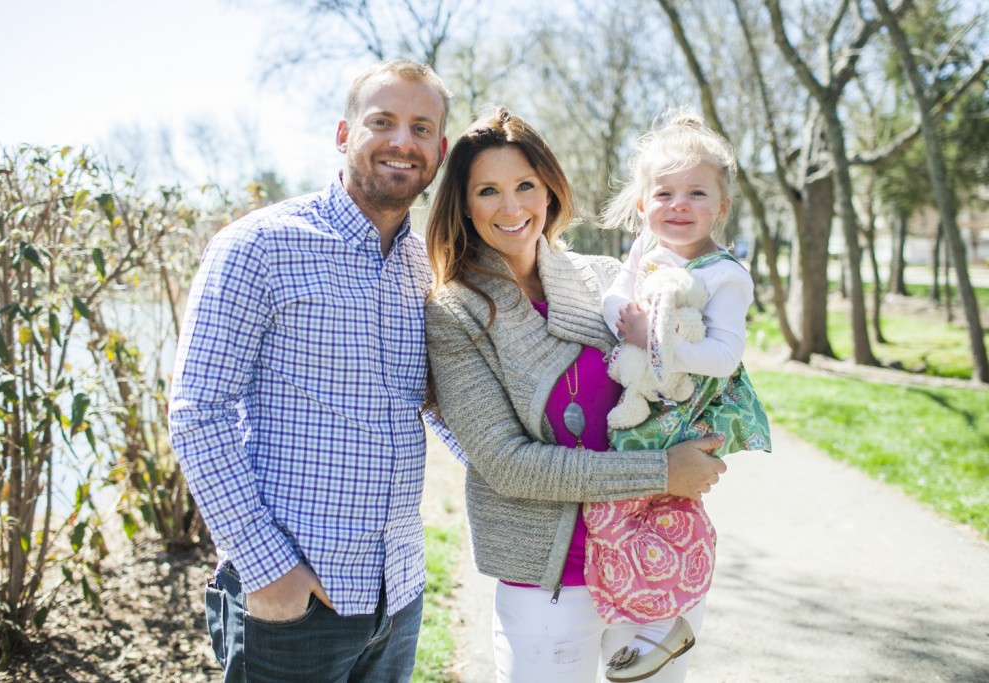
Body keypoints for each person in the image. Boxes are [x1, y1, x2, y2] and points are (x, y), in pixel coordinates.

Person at [169, 60, 451, 683]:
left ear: (440, 148)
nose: (402, 141)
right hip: (294, 602)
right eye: (382, 121)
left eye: (421, 127)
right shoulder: (259, 246)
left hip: (397, 593)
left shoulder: (426, 268)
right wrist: (269, 570)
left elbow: (437, 405)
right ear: (344, 133)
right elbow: (197, 414)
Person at [424, 106, 727, 683]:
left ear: (549, 189)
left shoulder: (605, 276)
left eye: (525, 186)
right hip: (551, 579)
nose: (511, 207)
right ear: (464, 204)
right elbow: (508, 466)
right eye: (488, 190)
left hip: (653, 555)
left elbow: (677, 378)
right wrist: (662, 472)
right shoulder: (457, 312)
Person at [591, 111, 772, 681]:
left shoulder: (726, 275)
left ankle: (674, 614)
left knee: (657, 506)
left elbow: (724, 356)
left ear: (721, 207)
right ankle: (646, 619)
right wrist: (622, 317)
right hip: (643, 405)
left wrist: (654, 338)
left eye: (696, 193)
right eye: (664, 192)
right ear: (643, 204)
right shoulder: (645, 248)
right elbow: (613, 299)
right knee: (621, 514)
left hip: (689, 410)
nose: (679, 204)